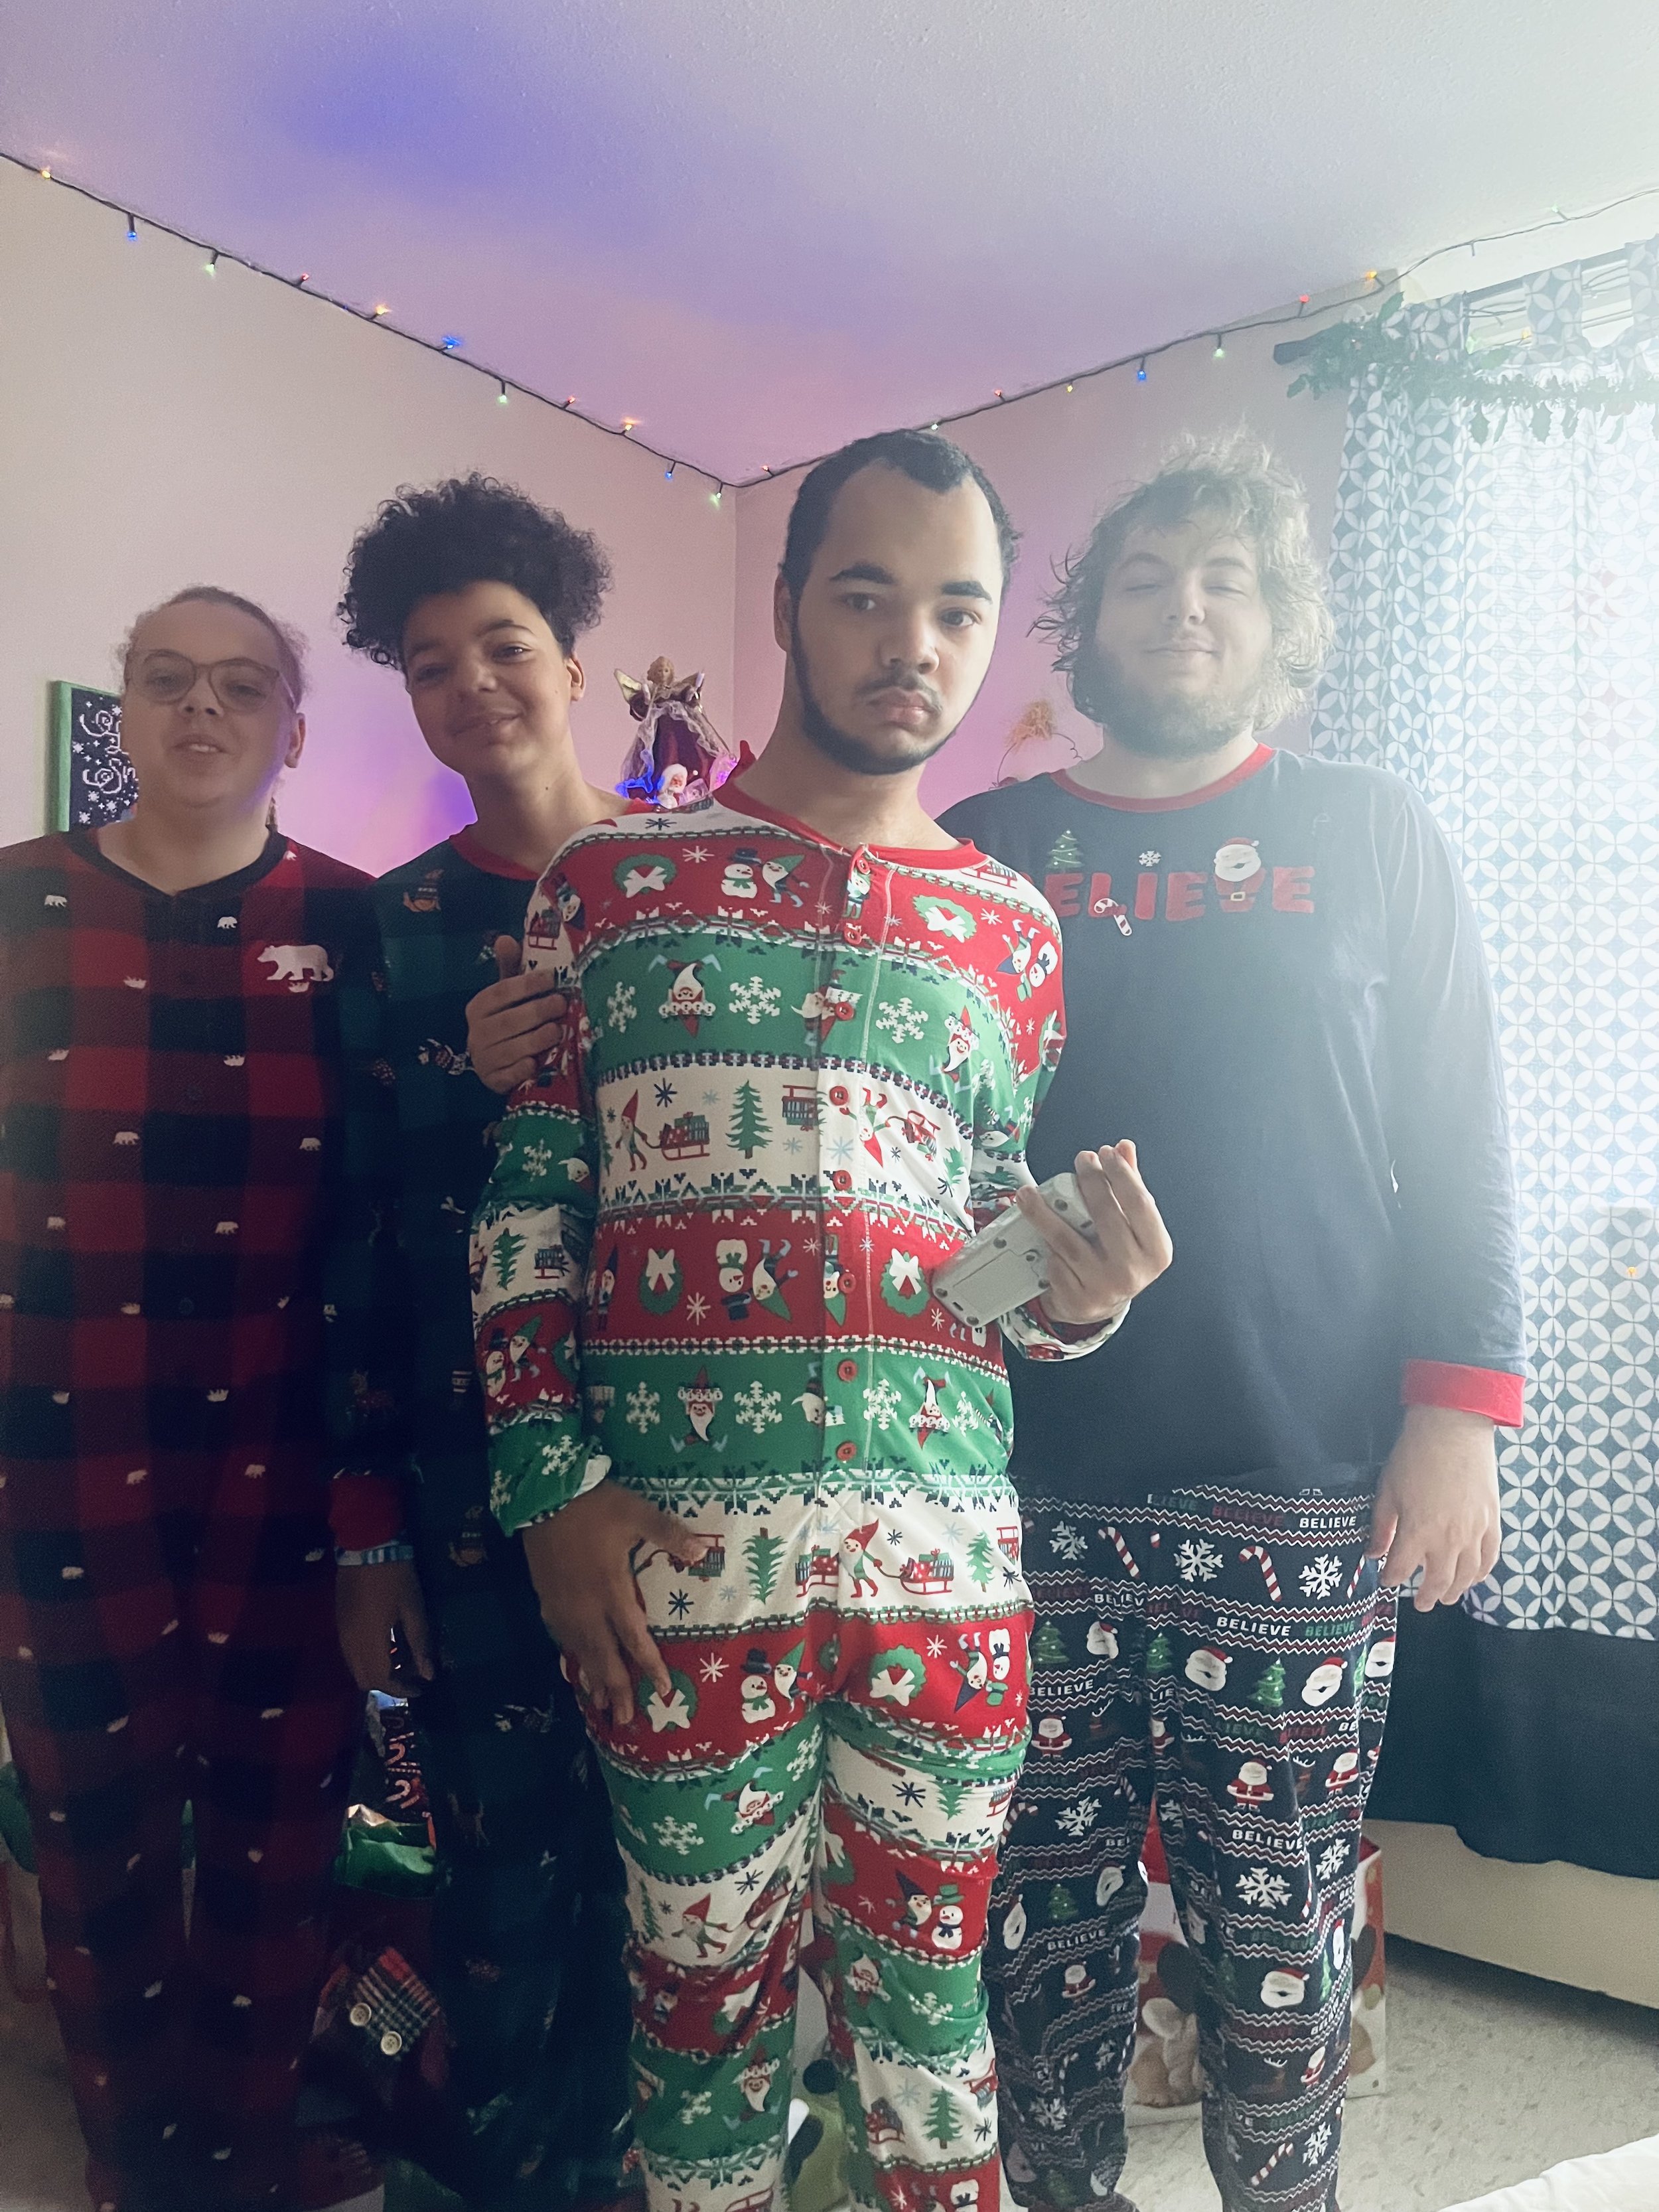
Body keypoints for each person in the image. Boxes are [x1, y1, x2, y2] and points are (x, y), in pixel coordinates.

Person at [465, 428, 1172, 2212]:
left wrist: (1074, 1300)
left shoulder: (1012, 929)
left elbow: (983, 1247)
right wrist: (549, 1491)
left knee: (934, 2025)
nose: (909, 644)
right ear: (785, 607)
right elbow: (529, 1211)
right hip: (679, 1570)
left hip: (945, 1572)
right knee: (694, 2018)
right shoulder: (608, 886)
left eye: (955, 608)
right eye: (865, 593)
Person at [939, 432, 1526, 2212]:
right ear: (1085, 620)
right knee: (1033, 1929)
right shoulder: (987, 846)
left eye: (1225, 578)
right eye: (1141, 574)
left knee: (1276, 1933)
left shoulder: (1374, 830)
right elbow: (922, 1158)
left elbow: (1461, 1137)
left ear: (1277, 622)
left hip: (1296, 1477)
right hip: (1016, 1487)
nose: (1181, 605)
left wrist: (1458, 1412)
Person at [0, 588, 394, 2212]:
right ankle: (129, 2166)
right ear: (124, 710)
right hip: (58, 1453)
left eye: (241, 687)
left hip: (287, 1470)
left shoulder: (360, 924)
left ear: (292, 729)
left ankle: (234, 2153)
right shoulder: (16, 905)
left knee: (274, 1835)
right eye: (167, 681)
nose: (202, 710)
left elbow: (388, 1216)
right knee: (92, 1847)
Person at [328, 475, 636, 2211]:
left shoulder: (684, 880)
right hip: (462, 1480)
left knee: (678, 1865)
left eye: (504, 646)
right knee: (502, 1878)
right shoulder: (397, 924)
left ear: (572, 661)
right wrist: (365, 1522)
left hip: (676, 1469)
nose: (474, 688)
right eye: (431, 664)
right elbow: (365, 1233)